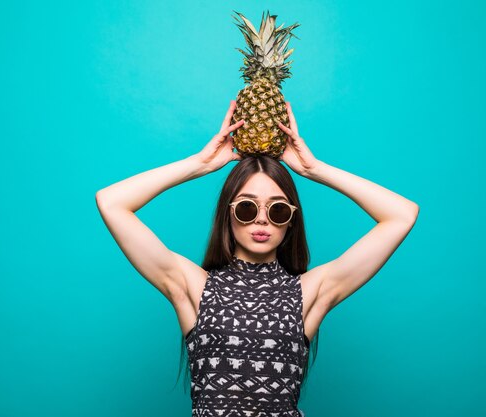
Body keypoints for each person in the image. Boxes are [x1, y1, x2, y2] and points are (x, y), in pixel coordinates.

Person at [95, 100, 419, 416]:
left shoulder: (308, 292)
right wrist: (200, 164)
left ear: (291, 219)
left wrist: (314, 169)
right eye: (247, 207)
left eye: (277, 210)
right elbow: (111, 202)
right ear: (229, 213)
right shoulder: (194, 287)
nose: (262, 220)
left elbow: (401, 215)